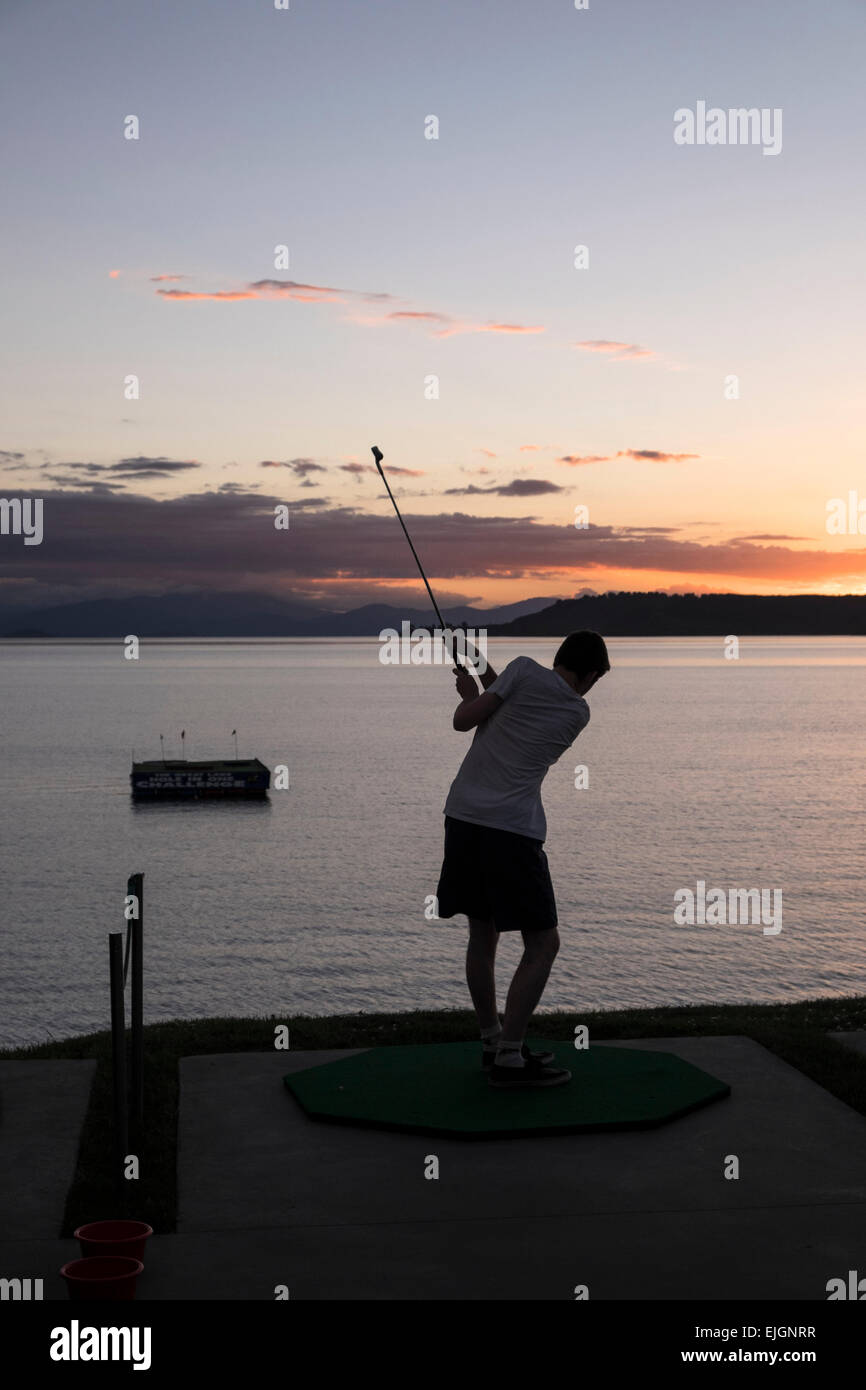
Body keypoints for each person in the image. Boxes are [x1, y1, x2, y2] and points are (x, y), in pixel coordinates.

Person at [435, 631, 610, 1088]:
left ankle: (494, 1040)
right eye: (594, 681)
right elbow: (503, 707)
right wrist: (477, 677)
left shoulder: (520, 670)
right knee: (543, 945)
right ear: (589, 675)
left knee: (482, 933)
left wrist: (473, 689)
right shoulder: (577, 712)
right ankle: (510, 1056)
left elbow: (469, 718)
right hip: (510, 831)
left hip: (463, 817)